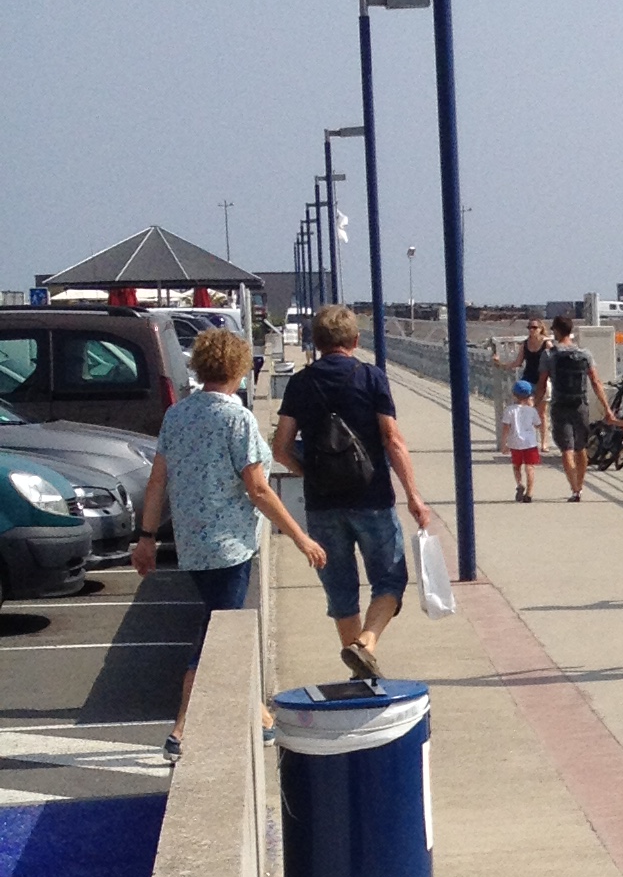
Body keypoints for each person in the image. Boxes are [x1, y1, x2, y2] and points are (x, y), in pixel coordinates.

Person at [135, 323, 326, 757]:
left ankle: (258, 715)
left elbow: (157, 481)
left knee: (219, 623)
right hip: (230, 545)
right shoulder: (235, 418)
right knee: (214, 636)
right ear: (238, 368)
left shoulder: (177, 415)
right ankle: (180, 729)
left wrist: (146, 538)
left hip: (192, 544)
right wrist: (300, 537)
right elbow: (257, 488)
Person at [273, 306, 437, 684]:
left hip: (322, 503)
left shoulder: (300, 383)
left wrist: (309, 472)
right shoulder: (370, 378)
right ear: (355, 341)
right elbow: (392, 439)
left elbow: (280, 447)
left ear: (316, 342)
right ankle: (365, 644)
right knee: (390, 580)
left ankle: (359, 676)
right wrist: (413, 496)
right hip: (372, 497)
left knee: (341, 590)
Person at [541, 315, 612, 500]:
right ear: (571, 330)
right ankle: (580, 486)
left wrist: (533, 406)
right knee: (581, 448)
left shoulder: (550, 355)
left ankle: (573, 488)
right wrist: (607, 408)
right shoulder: (585, 354)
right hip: (580, 404)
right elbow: (596, 382)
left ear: (556, 330)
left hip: (559, 404)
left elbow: (542, 383)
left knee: (567, 449)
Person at [501, 376, 542, 502]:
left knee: (516, 465)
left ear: (514, 395)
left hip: (515, 442)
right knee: (530, 467)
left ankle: (519, 484)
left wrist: (504, 443)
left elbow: (506, 428)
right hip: (530, 443)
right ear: (530, 395)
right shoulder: (532, 410)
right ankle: (529, 493)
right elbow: (538, 424)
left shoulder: (509, 410)